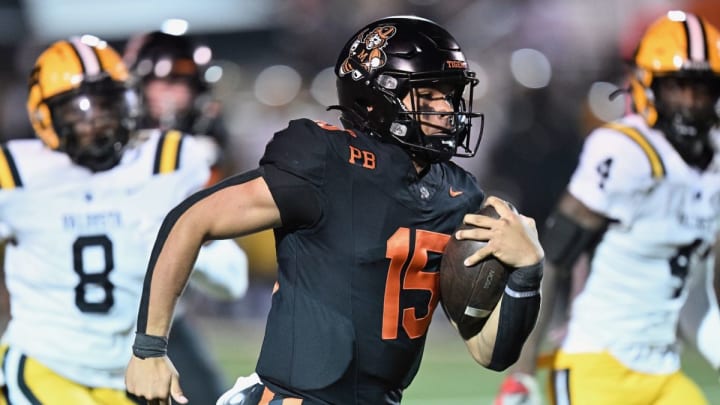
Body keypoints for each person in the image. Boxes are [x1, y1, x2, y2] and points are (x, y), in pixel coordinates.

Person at [125, 15, 545, 405]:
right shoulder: (327, 161)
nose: (448, 110)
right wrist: (149, 349)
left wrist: (526, 274)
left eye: (451, 96)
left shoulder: (458, 194)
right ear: (378, 99)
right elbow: (191, 219)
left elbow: (488, 351)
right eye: (429, 95)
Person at [494, 10, 720, 405]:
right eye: (678, 87)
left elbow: (695, 295)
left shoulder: (713, 166)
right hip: (593, 367)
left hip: (663, 371)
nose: (689, 101)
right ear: (648, 87)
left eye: (700, 89)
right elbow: (551, 261)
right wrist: (523, 372)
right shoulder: (626, 152)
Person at [0, 35, 242, 404]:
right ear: (43, 116)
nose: (96, 122)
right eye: (77, 110)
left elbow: (233, 280)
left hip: (129, 372)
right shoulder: (16, 171)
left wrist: (180, 242)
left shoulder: (169, 159)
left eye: (107, 105)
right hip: (45, 362)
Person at [122, 29, 249, 404]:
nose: (171, 95)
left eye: (180, 83)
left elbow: (231, 279)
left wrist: (187, 241)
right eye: (160, 81)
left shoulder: (200, 151)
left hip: (163, 321)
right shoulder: (100, 147)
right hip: (93, 321)